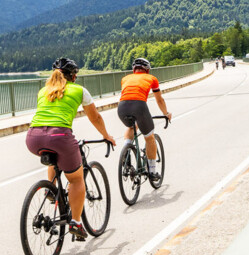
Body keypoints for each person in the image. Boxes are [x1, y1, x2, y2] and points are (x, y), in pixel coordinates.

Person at [25, 58, 116, 240]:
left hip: (33, 138)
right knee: (76, 179)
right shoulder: (79, 90)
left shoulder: (44, 90)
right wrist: (107, 135)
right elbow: (95, 117)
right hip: (60, 137)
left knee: (54, 157)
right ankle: (76, 222)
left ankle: (51, 189)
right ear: (73, 76)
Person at [117, 58, 172, 183]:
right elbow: (159, 100)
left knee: (132, 126)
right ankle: (152, 171)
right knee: (149, 137)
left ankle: (126, 149)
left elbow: (129, 95)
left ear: (133, 69)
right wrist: (166, 113)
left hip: (121, 107)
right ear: (147, 70)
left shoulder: (125, 78)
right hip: (139, 107)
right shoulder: (151, 78)